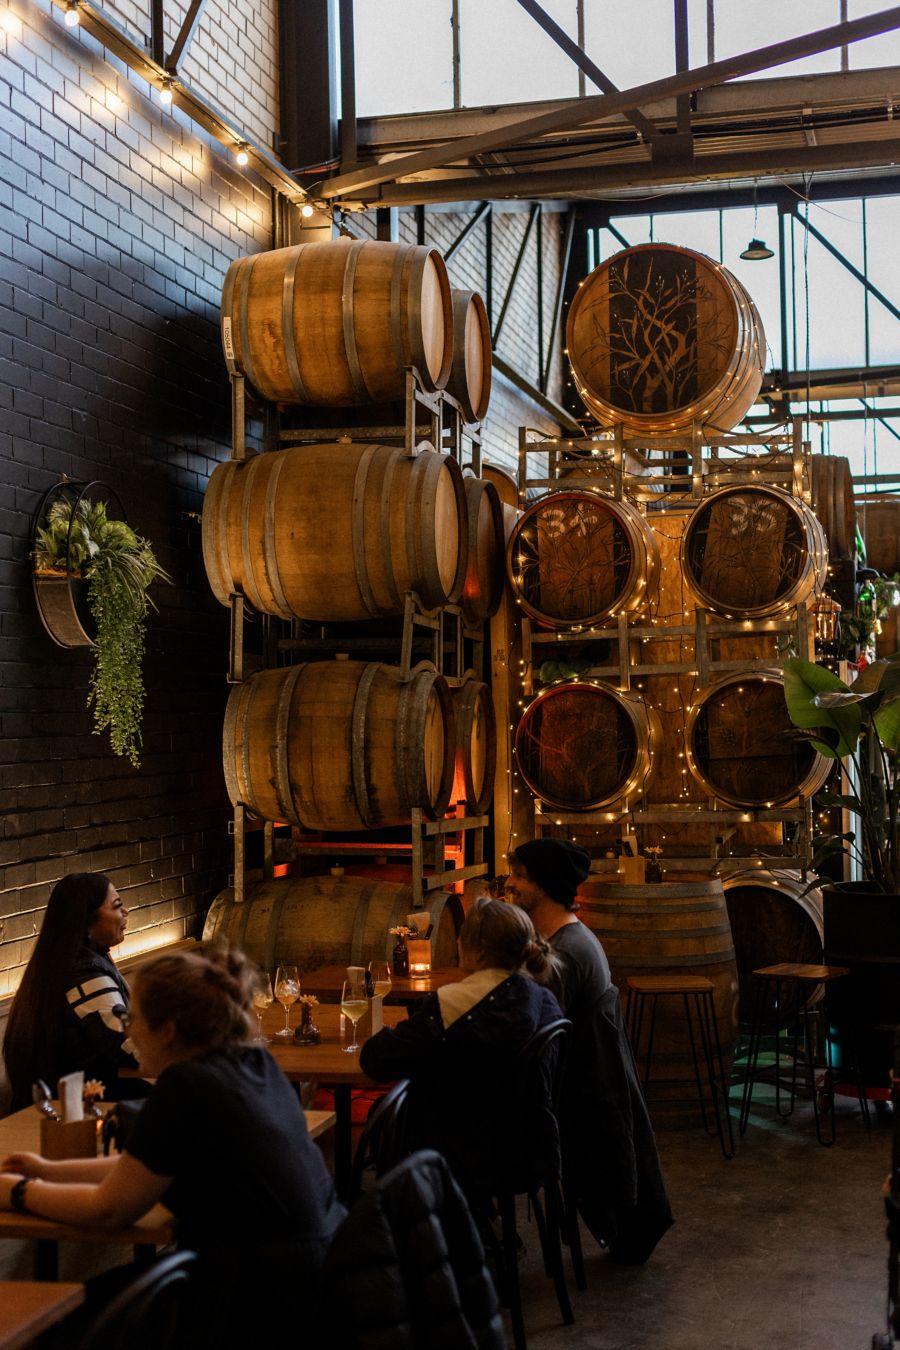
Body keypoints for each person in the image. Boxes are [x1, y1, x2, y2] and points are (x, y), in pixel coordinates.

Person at [0, 945, 345, 1343]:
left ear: (167, 1030)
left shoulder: (186, 1087)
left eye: (132, 1018)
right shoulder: (251, 1063)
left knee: (51, 1325)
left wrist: (19, 1192)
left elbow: (110, 1209)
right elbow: (145, 1168)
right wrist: (47, 1170)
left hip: (259, 1297)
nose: (127, 1031)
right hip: (322, 1271)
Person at [505, 837, 674, 1264]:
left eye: (518, 876)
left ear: (544, 885)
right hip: (579, 1096)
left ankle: (485, 1241)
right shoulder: (568, 940)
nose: (509, 883)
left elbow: (522, 1040)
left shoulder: (562, 955)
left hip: (561, 1107)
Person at [360, 897, 564, 1197]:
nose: (456, 941)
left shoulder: (451, 1005)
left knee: (386, 1111)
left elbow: (375, 1059)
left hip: (457, 1153)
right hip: (529, 1148)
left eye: (462, 935)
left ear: (478, 951)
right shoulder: (545, 1001)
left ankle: (412, 1214)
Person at [3, 872, 148, 1111]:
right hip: (77, 1108)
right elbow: (126, 1045)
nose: (125, 912)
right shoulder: (85, 975)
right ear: (87, 924)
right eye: (116, 906)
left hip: (69, 1101)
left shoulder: (65, 962)